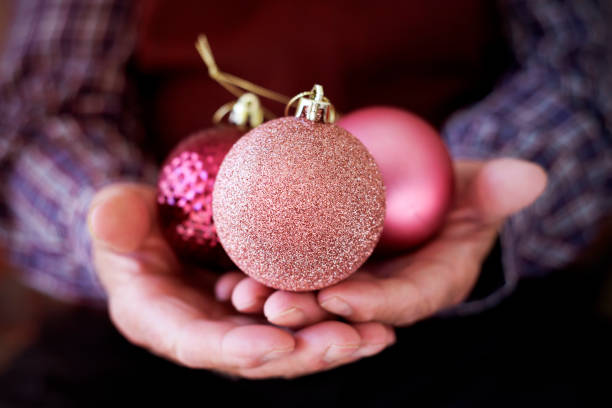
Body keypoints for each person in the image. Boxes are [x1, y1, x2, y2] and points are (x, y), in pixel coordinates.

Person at [0, 0, 610, 383]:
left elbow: (587, 66)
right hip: (169, 294)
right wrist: (102, 214)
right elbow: (46, 105)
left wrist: (479, 176)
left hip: (487, 308)